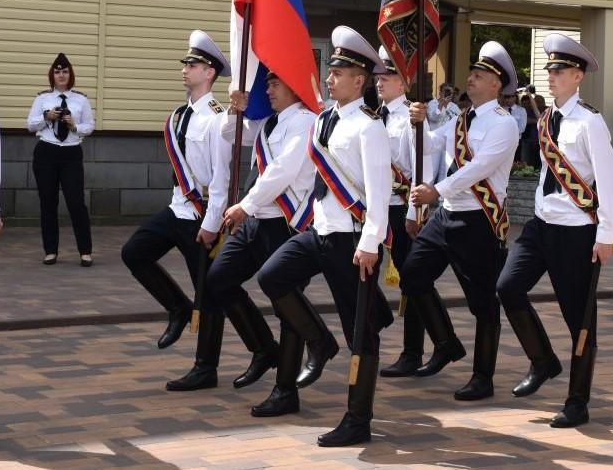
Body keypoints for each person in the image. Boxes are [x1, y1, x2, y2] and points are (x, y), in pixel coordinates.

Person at [255, 26, 393, 447]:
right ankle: (318, 340)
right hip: (318, 231)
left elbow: (380, 192)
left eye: (339, 72)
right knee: (272, 276)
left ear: (360, 80)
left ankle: (357, 419)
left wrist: (371, 243)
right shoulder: (325, 120)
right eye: (330, 71)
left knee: (362, 333)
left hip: (352, 243)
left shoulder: (369, 128)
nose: (329, 78)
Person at [166, 70, 321, 403]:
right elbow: (230, 134)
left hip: (285, 223)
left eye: (275, 83)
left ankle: (286, 390)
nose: (268, 89)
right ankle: (264, 348)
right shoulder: (269, 121)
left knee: (286, 305)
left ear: (295, 87)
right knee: (217, 281)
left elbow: (283, 171)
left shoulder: (306, 121)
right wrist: (236, 109)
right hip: (256, 221)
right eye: (267, 83)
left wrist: (245, 206)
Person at [495, 33, 613, 427]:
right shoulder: (548, 118)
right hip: (541, 225)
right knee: (508, 287)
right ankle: (543, 360)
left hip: (576, 231)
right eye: (549, 69)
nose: (551, 76)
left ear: (578, 76)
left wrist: (606, 236)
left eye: (560, 70)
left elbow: (609, 181)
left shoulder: (590, 122)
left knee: (578, 318)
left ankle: (577, 401)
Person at [403, 42, 520, 402]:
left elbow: (478, 168)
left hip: (479, 220)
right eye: (471, 74)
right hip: (448, 215)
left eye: (479, 75)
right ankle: (446, 343)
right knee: (412, 275)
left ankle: (483, 377)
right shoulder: (460, 118)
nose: (470, 79)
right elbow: (431, 146)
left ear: (496, 85)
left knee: (483, 301)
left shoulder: (504, 124)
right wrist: (417, 124)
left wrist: (435, 190)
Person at [120, 31, 232, 371]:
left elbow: (221, 179)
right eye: (185, 64)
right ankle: (177, 308)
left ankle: (205, 367)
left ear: (209, 72)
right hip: (177, 209)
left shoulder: (217, 118)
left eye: (193, 64)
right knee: (134, 253)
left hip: (202, 217)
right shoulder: (179, 115)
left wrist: (212, 224)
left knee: (209, 292)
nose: (185, 69)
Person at [376, 46, 435, 378]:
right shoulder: (375, 115)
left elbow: (421, 165)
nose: (381, 80)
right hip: (376, 209)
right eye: (379, 75)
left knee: (411, 281)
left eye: (388, 75)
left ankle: (413, 352)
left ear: (405, 81)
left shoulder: (412, 118)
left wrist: (416, 213)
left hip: (401, 210)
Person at [26, 53, 95, 266]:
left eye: (65, 71)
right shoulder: (42, 99)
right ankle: (50, 251)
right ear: (52, 75)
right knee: (48, 202)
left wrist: (75, 125)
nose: (61, 75)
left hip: (71, 153)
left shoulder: (81, 100)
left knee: (76, 203)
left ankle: (85, 251)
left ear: (70, 74)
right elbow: (30, 125)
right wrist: (47, 117)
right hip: (46, 152)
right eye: (57, 72)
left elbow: (89, 127)